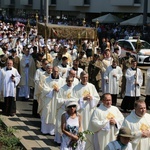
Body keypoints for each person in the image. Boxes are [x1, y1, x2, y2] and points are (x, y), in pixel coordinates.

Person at [41, 66, 64, 135]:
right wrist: (52, 90)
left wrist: (59, 90)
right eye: (54, 71)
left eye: (57, 71)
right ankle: (45, 130)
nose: (55, 73)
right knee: (47, 112)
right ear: (52, 71)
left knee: (56, 114)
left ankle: (53, 131)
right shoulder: (47, 79)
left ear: (59, 72)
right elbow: (44, 89)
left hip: (57, 100)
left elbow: (63, 90)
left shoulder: (62, 81)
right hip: (49, 100)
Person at [54, 76, 75, 144]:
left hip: (71, 110)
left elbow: (77, 98)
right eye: (68, 81)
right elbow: (58, 99)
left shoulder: (75, 89)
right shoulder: (62, 89)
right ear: (66, 81)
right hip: (63, 109)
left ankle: (69, 140)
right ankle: (59, 140)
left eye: (71, 81)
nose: (70, 82)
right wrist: (65, 101)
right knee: (61, 125)